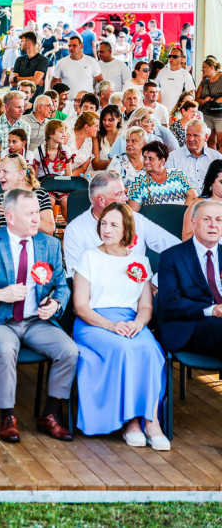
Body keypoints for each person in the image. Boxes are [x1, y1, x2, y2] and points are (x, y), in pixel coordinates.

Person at [0, 189, 77, 443]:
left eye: (37, 212)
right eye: (30, 214)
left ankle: (50, 413)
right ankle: (7, 416)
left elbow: (62, 286)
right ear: (9, 217)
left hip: (36, 320)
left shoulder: (50, 244)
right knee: (6, 346)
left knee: (69, 350)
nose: (37, 219)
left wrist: (55, 303)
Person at [71, 202, 168, 447]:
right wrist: (111, 326)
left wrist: (138, 324)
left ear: (127, 229)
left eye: (114, 224)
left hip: (130, 320)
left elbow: (146, 306)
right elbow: (80, 306)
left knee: (151, 350)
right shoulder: (89, 257)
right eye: (103, 223)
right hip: (94, 323)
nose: (107, 229)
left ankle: (151, 420)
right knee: (124, 349)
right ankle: (131, 422)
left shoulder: (140, 260)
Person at [157, 200, 222, 402]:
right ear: (193, 224)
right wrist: (212, 310)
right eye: (207, 219)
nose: (214, 225)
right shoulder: (172, 257)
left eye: (219, 220)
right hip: (190, 327)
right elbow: (170, 303)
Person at [63, 171, 179, 275]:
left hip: (139, 293)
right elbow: (76, 277)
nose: (126, 198)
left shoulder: (137, 220)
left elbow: (178, 250)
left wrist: (157, 282)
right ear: (101, 201)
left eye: (124, 192)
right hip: (96, 296)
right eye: (119, 194)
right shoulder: (75, 230)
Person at [0, 154, 56, 235]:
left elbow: (49, 229)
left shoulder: (39, 194)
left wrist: (19, 214)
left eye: (5, 171)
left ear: (20, 174)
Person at [127, 140, 196, 212]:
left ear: (162, 161)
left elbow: (192, 195)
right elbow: (132, 213)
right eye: (144, 158)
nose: (146, 162)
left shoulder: (177, 174)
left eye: (150, 158)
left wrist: (182, 213)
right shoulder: (139, 181)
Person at [166, 119, 221, 191]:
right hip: (183, 201)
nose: (191, 139)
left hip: (210, 201)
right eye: (188, 135)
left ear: (206, 137)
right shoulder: (173, 158)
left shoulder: (216, 157)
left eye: (196, 135)